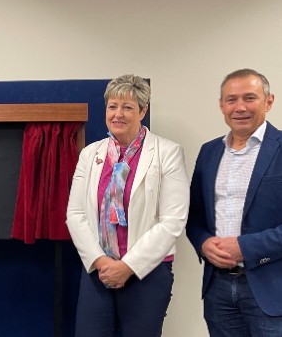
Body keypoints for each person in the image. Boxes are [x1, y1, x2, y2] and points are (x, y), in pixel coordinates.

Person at [66, 74, 189, 336]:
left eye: (128, 107)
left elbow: (172, 221)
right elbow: (75, 214)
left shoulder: (167, 152)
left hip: (147, 272)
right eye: (112, 106)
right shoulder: (90, 154)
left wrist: (127, 267)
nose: (118, 114)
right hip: (98, 271)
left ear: (143, 111)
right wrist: (101, 262)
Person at [186, 68, 282, 336]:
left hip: (271, 290)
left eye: (250, 98)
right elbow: (194, 217)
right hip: (217, 289)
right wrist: (204, 242)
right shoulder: (209, 151)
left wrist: (245, 247)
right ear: (221, 105)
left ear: (269, 101)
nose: (240, 107)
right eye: (231, 99)